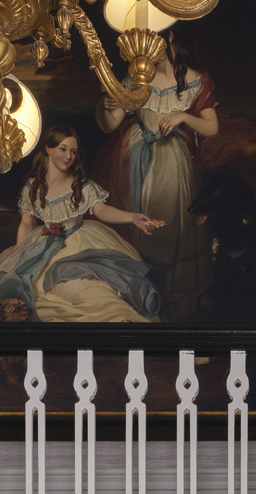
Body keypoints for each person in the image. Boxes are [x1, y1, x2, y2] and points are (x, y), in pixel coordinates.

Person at [0, 124, 163, 324]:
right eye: (63, 149)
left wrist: (132, 218)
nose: (68, 156)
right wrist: (19, 254)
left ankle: (116, 318)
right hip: (42, 244)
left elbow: (101, 210)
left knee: (87, 287)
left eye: (73, 151)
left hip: (78, 242)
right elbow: (26, 224)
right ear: (48, 149)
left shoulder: (81, 184)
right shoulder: (32, 187)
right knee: (35, 289)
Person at [94, 27, 219, 321]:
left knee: (170, 229)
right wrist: (105, 104)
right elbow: (109, 125)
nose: (147, 48)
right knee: (137, 227)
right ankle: (142, 302)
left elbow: (212, 127)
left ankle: (172, 306)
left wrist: (185, 116)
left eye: (155, 40)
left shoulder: (194, 79)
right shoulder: (137, 78)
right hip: (132, 161)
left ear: (170, 37)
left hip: (173, 165)